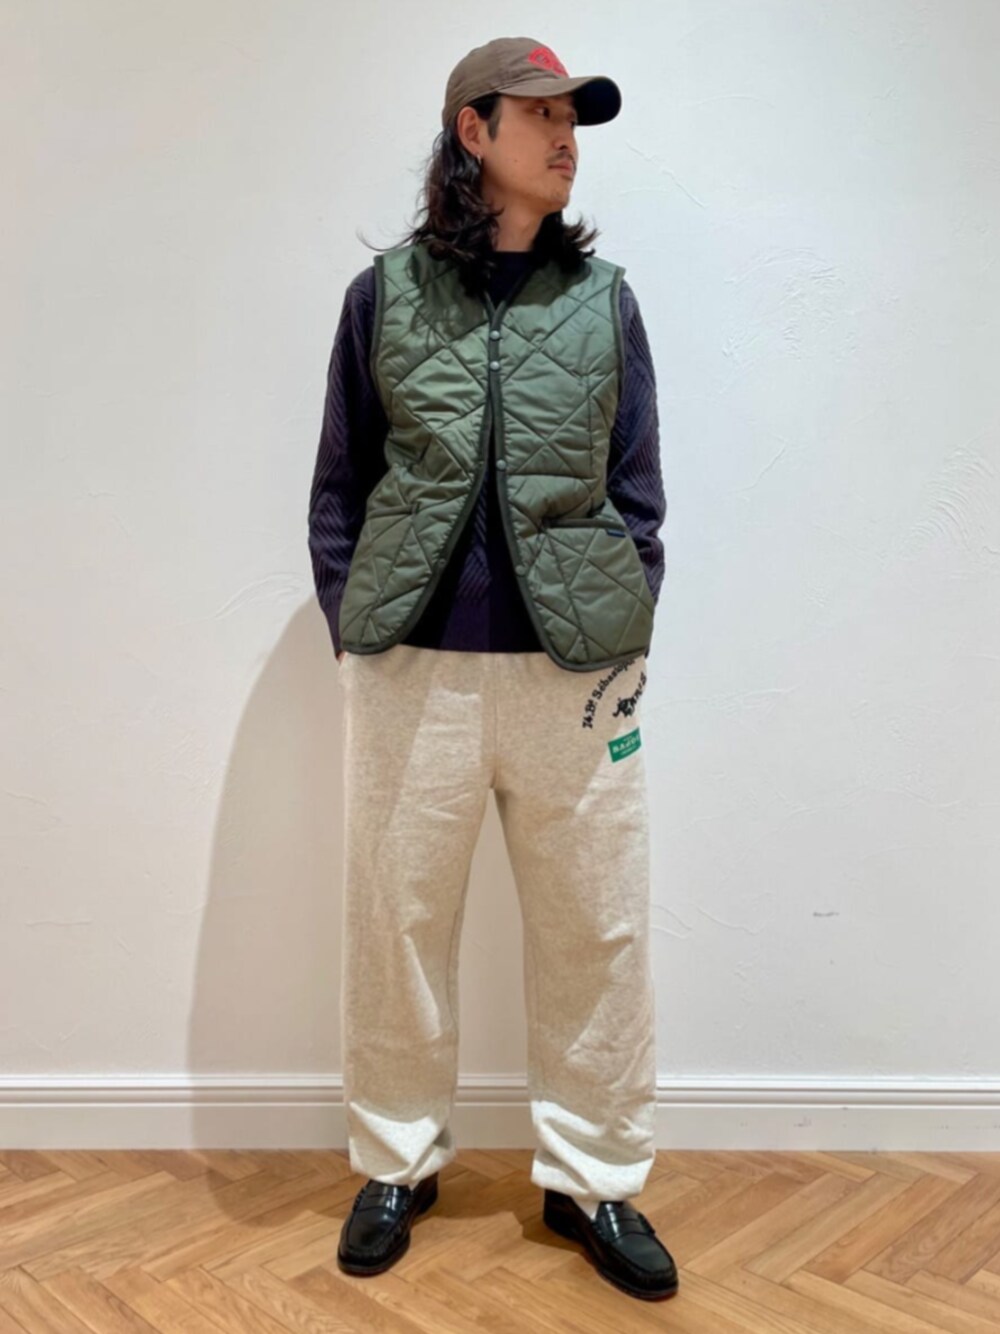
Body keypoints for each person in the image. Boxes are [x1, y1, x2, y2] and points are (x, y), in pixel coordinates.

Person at [307, 36, 677, 1302]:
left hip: (576, 678)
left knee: (598, 929)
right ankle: (396, 1160)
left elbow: (637, 488)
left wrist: (626, 620)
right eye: (541, 115)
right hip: (412, 664)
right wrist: (354, 626)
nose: (566, 138)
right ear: (473, 131)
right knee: (396, 924)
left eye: (575, 120)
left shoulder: (605, 300)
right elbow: (341, 484)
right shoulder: (383, 296)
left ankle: (594, 1180)